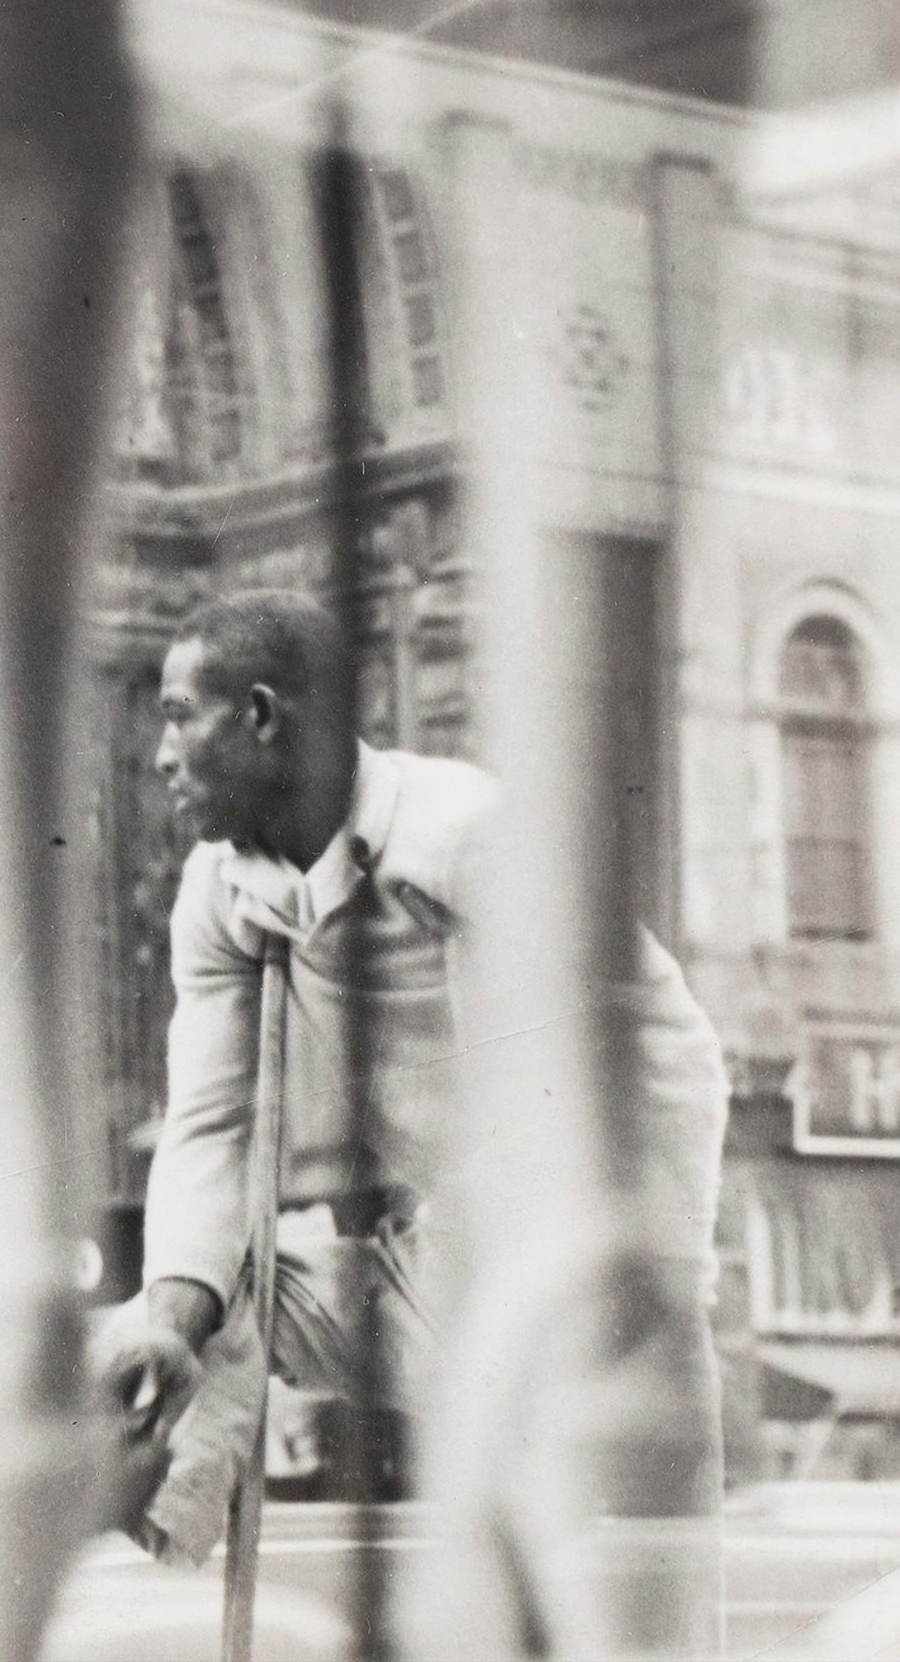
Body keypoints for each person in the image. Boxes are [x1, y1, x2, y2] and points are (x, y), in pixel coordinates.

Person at [96, 587, 730, 1566]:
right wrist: (173, 1320)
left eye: (181, 715)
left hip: (603, 1258)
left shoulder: (464, 831)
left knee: (638, 1585)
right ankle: (163, 1519)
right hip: (453, 1259)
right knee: (221, 1282)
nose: (161, 755)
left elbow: (650, 1051)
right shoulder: (218, 890)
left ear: (261, 717)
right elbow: (211, 1122)